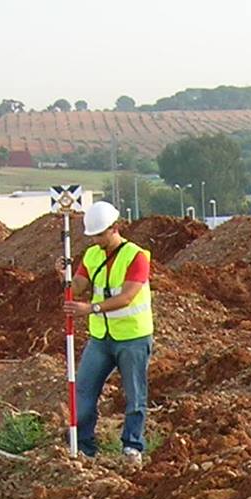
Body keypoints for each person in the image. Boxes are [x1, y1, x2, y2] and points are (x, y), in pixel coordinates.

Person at [66, 199, 153, 465]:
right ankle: (84, 447)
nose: (96, 240)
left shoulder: (136, 256)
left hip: (132, 338)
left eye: (100, 235)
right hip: (101, 338)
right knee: (83, 390)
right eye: (93, 236)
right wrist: (66, 276)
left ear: (115, 228)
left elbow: (127, 297)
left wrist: (89, 309)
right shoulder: (92, 255)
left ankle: (132, 446)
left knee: (134, 394)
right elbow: (79, 285)